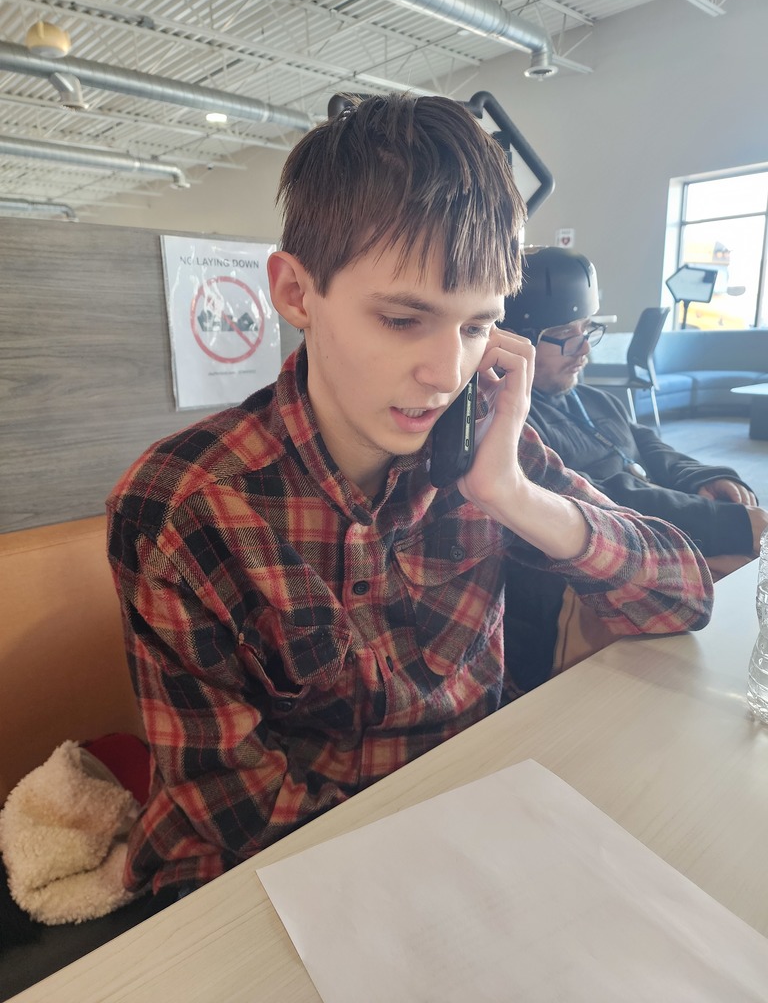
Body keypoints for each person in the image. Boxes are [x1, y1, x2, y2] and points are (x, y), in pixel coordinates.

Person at [106, 94, 712, 901]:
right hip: (272, 883)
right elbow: (240, 807)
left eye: (475, 327)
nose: (444, 372)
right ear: (295, 293)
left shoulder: (488, 448)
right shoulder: (188, 505)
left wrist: (516, 496)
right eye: (401, 320)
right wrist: (450, 876)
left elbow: (684, 591)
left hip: (463, 842)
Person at [501, 245, 768, 583]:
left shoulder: (592, 398)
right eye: (566, 335)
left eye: (587, 329)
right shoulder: (517, 428)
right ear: (513, 341)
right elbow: (602, 497)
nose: (584, 348)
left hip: (670, 529)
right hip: (614, 563)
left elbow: (647, 442)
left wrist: (702, 476)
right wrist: (723, 523)